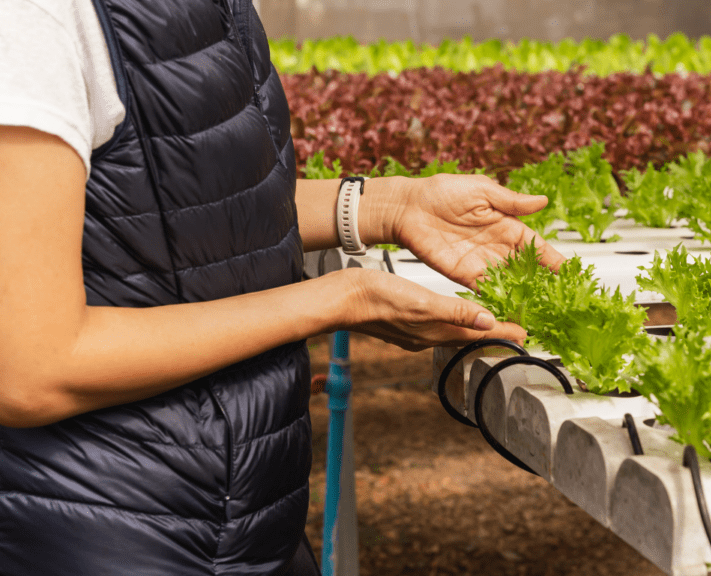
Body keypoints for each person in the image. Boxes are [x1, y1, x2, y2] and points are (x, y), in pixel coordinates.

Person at [0, 0, 565, 574]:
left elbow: (176, 218)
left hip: (238, 512)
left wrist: (388, 205)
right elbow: (30, 369)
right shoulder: (35, 16)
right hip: (104, 529)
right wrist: (341, 298)